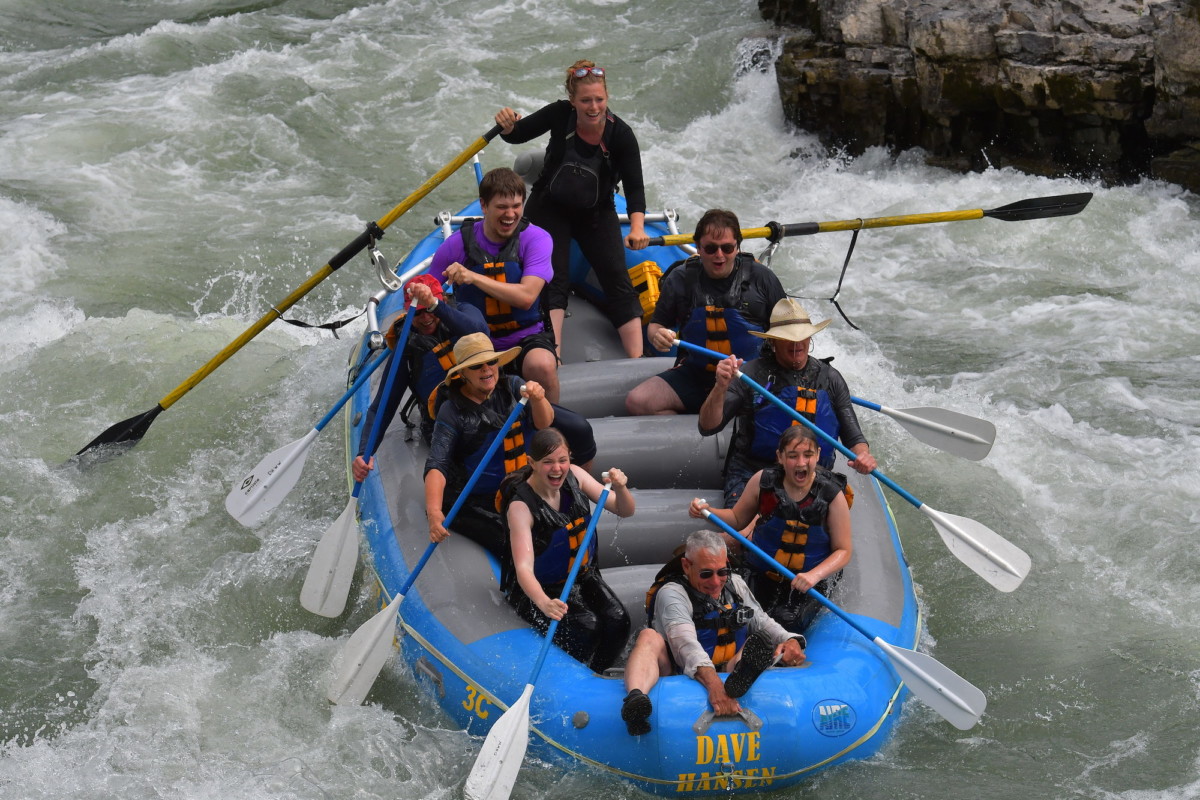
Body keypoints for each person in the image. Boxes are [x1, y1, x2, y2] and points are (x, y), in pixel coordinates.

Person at [495, 59, 649, 359]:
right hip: (549, 207)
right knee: (553, 281)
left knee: (618, 279)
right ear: (572, 100)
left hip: (596, 211)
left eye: (599, 100)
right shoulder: (559, 114)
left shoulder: (621, 135)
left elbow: (635, 187)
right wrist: (508, 122)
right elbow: (517, 134)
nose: (594, 107)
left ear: (607, 98)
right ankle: (553, 359)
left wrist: (638, 227)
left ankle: (636, 361)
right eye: (586, 100)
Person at [619, 529, 807, 736]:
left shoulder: (736, 584)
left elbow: (762, 621)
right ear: (686, 566)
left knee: (759, 639)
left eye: (722, 571)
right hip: (680, 674)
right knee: (648, 636)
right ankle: (637, 699)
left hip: (730, 667)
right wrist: (715, 686)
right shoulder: (672, 593)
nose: (716, 582)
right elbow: (686, 646)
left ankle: (743, 674)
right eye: (706, 573)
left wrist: (791, 639)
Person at [424, 333, 596, 558]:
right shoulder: (452, 410)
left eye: (491, 362)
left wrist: (538, 399)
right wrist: (435, 511)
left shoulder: (514, 386)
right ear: (463, 373)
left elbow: (544, 423)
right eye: (477, 365)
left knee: (572, 527)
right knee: (515, 543)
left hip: (520, 487)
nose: (487, 369)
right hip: (478, 499)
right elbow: (438, 462)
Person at [697, 297, 877, 506]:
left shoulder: (831, 379)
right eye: (787, 338)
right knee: (746, 533)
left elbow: (854, 437)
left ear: (810, 339)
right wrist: (720, 387)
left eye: (802, 338)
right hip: (755, 473)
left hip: (810, 477)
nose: (796, 345)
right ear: (772, 341)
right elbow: (708, 427)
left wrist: (863, 456)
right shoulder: (750, 374)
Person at [689, 425, 852, 635]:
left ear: (818, 455)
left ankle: (774, 658)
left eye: (808, 455)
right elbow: (737, 519)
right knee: (735, 614)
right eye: (793, 456)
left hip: (806, 582)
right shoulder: (763, 481)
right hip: (760, 571)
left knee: (786, 621)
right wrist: (707, 511)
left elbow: (844, 550)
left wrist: (813, 575)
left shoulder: (831, 495)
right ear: (780, 457)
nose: (801, 463)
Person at [499, 428, 635, 673]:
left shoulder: (576, 476)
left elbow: (625, 510)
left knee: (619, 620)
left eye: (563, 460)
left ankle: (596, 672)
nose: (557, 469)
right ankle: (571, 675)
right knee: (587, 627)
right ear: (532, 463)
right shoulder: (521, 507)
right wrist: (543, 602)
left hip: (580, 576)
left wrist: (622, 489)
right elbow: (523, 568)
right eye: (547, 462)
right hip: (539, 589)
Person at [625, 209, 785, 416]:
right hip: (697, 374)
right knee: (637, 402)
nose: (719, 255)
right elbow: (656, 325)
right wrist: (656, 335)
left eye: (727, 248)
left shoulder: (762, 279)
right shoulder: (680, 279)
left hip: (749, 379)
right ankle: (688, 435)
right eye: (710, 248)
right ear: (698, 247)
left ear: (737, 247)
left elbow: (790, 330)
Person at [428, 167, 561, 402]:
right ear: (483, 205)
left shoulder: (537, 239)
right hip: (474, 345)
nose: (510, 214)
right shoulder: (455, 246)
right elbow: (427, 291)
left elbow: (527, 296)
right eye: (501, 207)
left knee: (542, 364)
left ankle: (548, 430)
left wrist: (472, 276)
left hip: (525, 338)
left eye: (516, 206)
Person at [352, 274, 489, 481]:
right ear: (408, 313)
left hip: (487, 407)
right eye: (418, 313)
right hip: (444, 423)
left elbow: (480, 332)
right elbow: (383, 406)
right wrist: (364, 452)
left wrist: (433, 305)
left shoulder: (464, 313)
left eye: (430, 310)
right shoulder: (406, 349)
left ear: (441, 301)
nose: (426, 319)